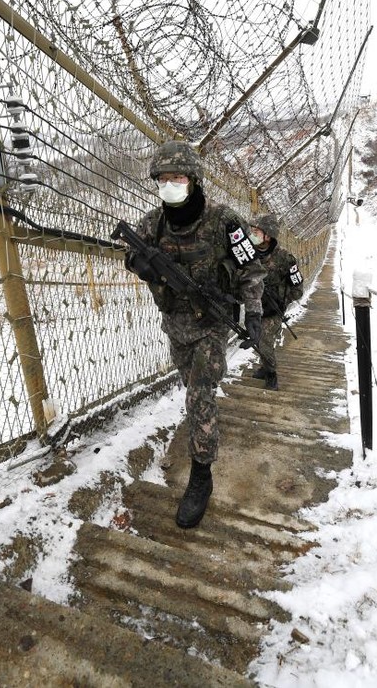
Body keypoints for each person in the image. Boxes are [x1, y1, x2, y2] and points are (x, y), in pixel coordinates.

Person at [124, 140, 265, 529]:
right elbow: (130, 252)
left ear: (194, 180)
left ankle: (201, 476)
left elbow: (250, 270)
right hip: (176, 326)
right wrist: (141, 265)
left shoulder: (224, 222)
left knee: (199, 394)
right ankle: (205, 431)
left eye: (178, 178)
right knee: (194, 392)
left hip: (212, 326)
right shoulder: (153, 223)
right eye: (163, 179)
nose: (170, 185)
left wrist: (253, 314)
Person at [248, 213, 304, 391]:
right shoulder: (248, 253)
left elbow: (298, 289)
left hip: (273, 309)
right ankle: (265, 367)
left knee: (265, 340)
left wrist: (282, 301)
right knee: (257, 339)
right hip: (253, 306)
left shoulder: (285, 258)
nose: (252, 234)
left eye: (256, 231)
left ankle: (271, 374)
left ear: (268, 235)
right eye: (252, 230)